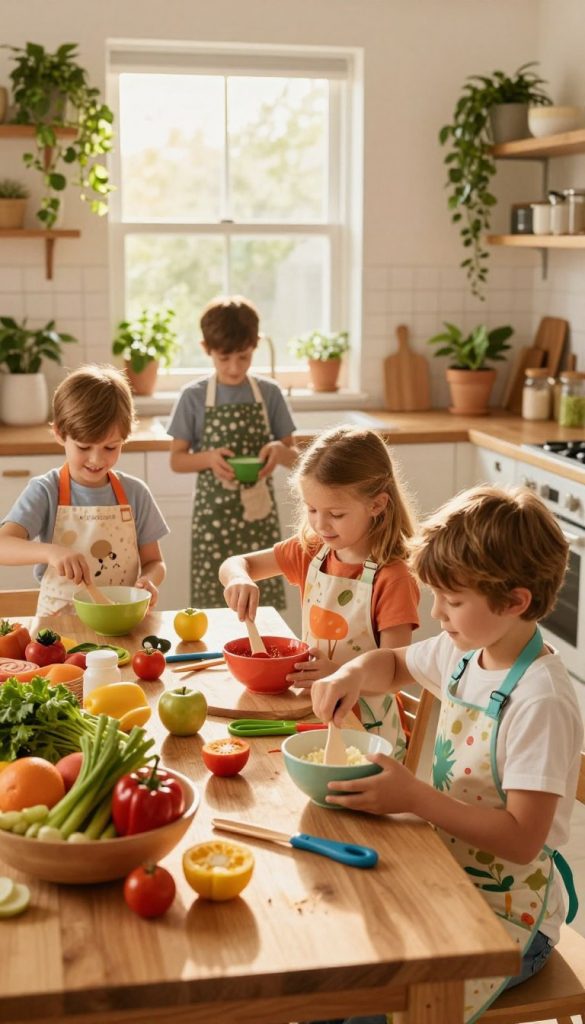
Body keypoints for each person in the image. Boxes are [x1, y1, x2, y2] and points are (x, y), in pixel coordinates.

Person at [310, 485, 583, 1024]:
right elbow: (390, 665)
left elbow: (522, 840)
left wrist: (413, 797)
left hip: (508, 918)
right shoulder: (466, 653)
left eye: (453, 602)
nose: (437, 615)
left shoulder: (540, 700)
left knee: (373, 1007)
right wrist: (349, 673)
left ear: (515, 601)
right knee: (331, 966)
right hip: (441, 874)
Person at [220, 427, 420, 754]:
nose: (320, 525)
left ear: (377, 505)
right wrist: (239, 579)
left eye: (336, 514)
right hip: (315, 715)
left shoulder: (392, 576)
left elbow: (397, 672)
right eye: (312, 509)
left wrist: (343, 674)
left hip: (366, 734)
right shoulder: (312, 551)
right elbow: (236, 562)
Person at [0, 364, 169, 616]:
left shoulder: (135, 493)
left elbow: (155, 561)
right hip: (58, 628)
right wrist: (50, 552)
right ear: (59, 433)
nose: (97, 459)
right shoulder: (46, 491)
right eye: (84, 447)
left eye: (111, 448)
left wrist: (149, 580)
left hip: (120, 622)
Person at [167, 295, 299, 609]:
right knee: (214, 606)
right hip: (213, 520)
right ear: (206, 349)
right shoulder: (193, 396)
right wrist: (209, 459)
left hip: (259, 518)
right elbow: (177, 459)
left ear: (256, 344)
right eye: (224, 358)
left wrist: (279, 451)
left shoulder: (270, 393)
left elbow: (296, 457)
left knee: (261, 605)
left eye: (244, 356)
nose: (235, 367)